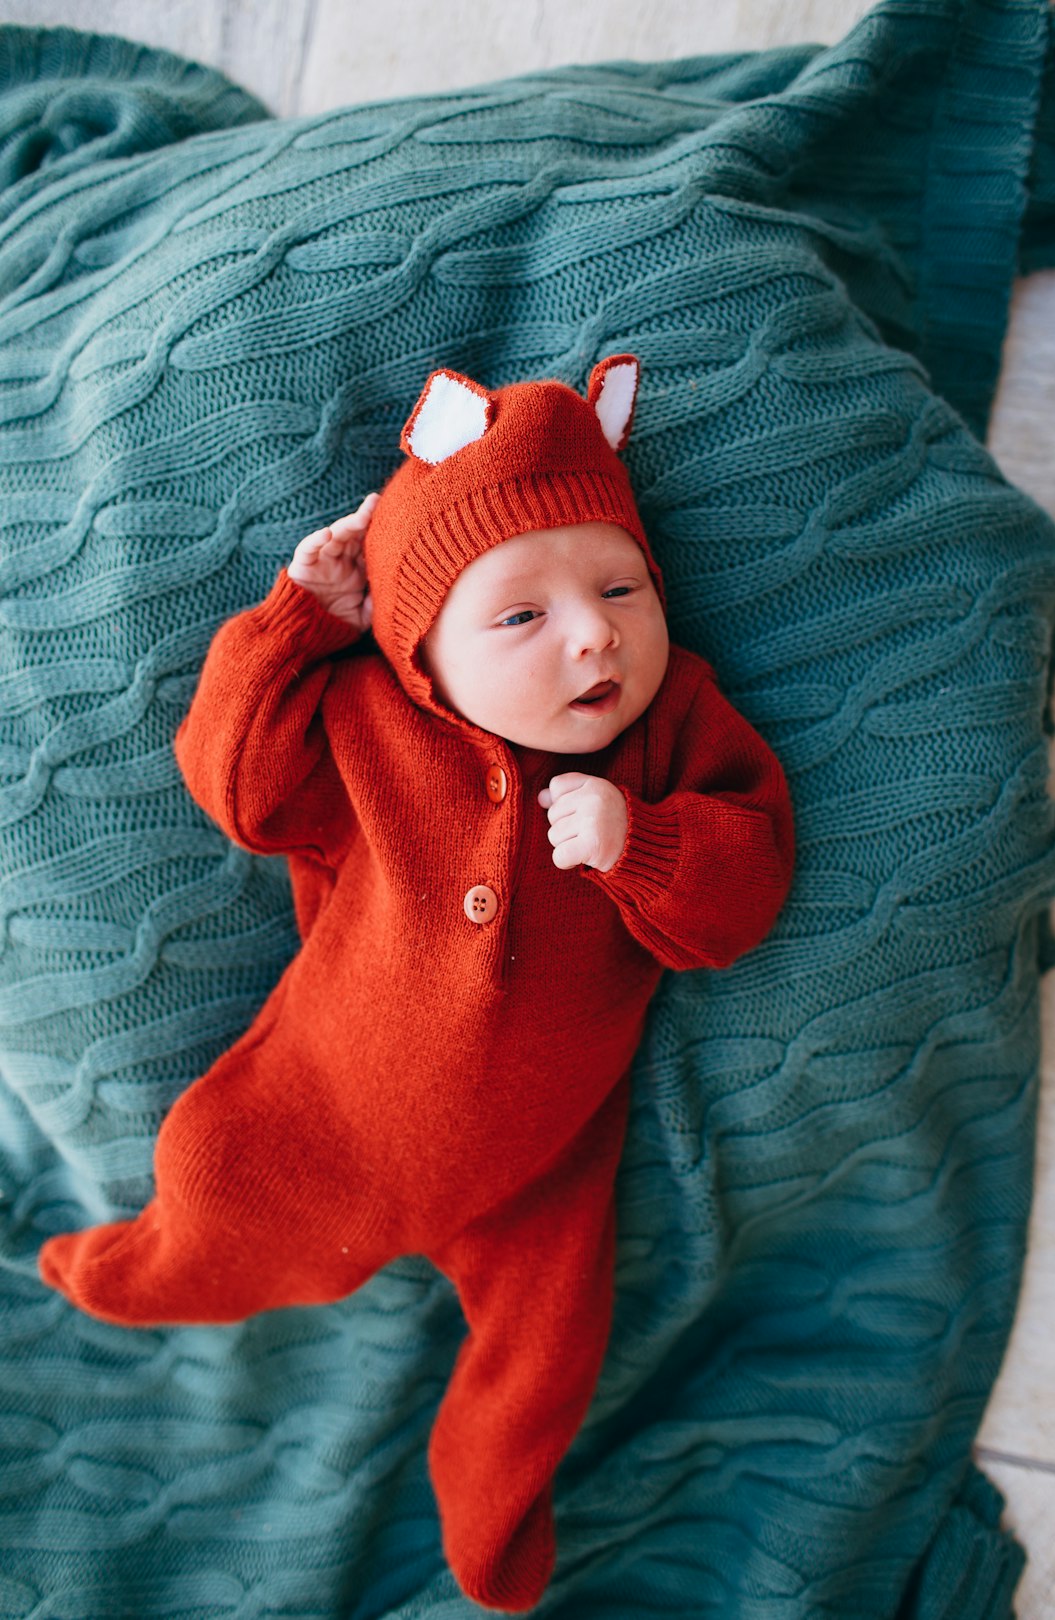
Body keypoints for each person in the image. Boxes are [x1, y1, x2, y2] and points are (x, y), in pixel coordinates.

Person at [39, 354, 795, 1612]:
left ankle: (494, 1530)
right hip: (327, 1112)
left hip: (541, 1168)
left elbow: (745, 893)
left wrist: (643, 842)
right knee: (214, 1175)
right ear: (422, 652)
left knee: (548, 1353)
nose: (595, 631)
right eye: (522, 617)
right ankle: (141, 1270)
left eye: (621, 587)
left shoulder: (673, 735)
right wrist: (295, 629)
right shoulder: (369, 726)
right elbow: (234, 789)